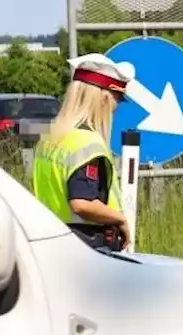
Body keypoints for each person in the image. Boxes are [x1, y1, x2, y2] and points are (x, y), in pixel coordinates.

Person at [31, 53, 133, 250]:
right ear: (102, 99)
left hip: (50, 240)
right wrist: (120, 219)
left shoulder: (49, 137)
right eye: (116, 99)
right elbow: (82, 203)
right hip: (86, 246)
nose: (115, 108)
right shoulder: (88, 143)